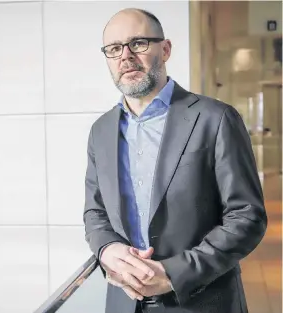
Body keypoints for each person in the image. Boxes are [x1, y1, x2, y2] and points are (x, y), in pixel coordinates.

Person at [83, 8, 267, 313]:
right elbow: (95, 211)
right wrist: (107, 249)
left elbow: (247, 217)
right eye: (114, 49)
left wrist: (173, 273)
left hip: (203, 300)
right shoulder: (100, 131)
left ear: (165, 49)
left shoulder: (216, 118)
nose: (125, 56)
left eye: (138, 43)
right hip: (124, 303)